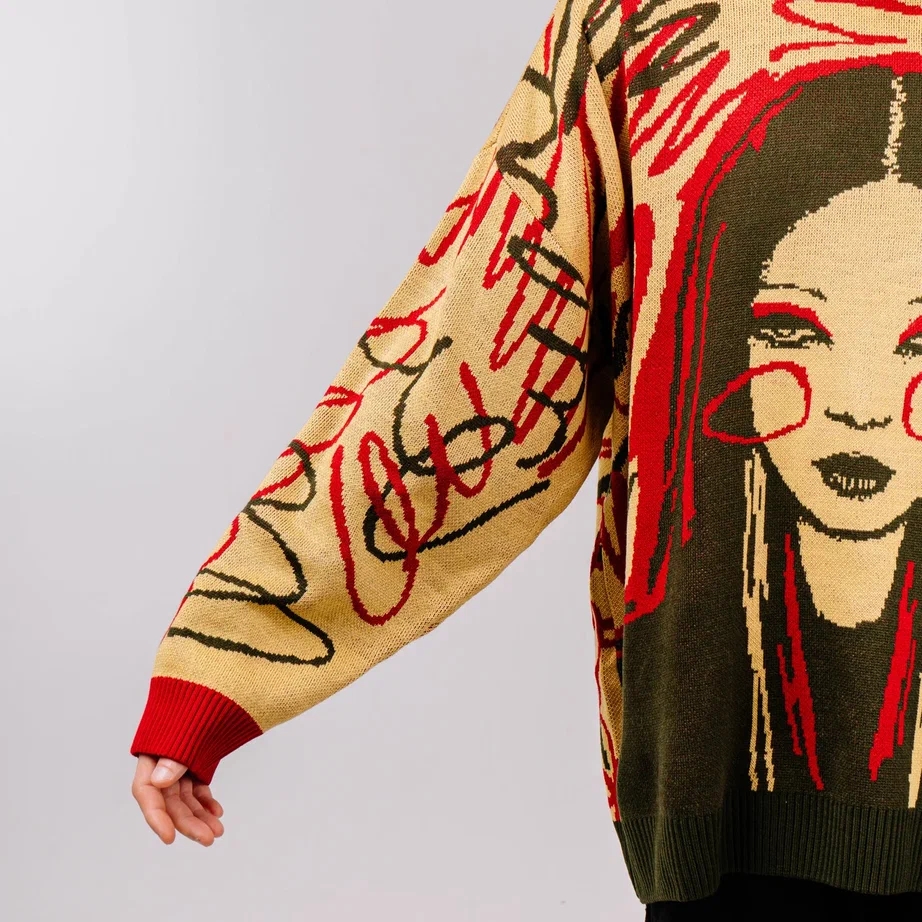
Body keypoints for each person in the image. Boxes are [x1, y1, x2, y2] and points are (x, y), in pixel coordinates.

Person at [129, 0, 922, 916]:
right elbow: (469, 365)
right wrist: (229, 653)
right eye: (792, 330)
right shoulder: (642, 27)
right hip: (721, 772)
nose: (860, 404)